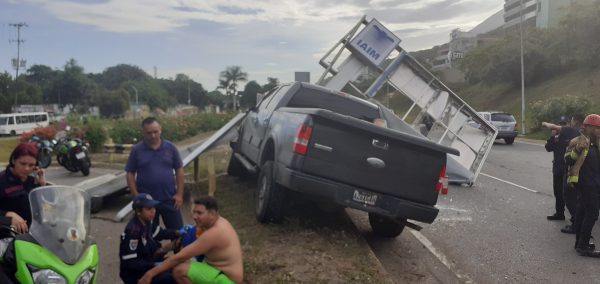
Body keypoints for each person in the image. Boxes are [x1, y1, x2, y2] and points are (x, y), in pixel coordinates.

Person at [138, 196, 243, 284]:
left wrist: (149, 274)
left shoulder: (214, 233)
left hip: (227, 280)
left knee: (179, 271)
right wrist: (162, 250)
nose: (194, 216)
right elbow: (182, 240)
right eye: (194, 212)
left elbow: (179, 257)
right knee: (182, 263)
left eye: (199, 213)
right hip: (216, 270)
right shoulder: (214, 222)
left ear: (212, 213)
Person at [126, 117, 185, 230]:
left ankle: (179, 248)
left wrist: (179, 194)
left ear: (160, 130)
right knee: (149, 236)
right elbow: (130, 173)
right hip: (147, 202)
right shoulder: (137, 150)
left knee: (178, 233)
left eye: (155, 132)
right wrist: (136, 196)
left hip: (170, 199)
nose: (153, 136)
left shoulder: (170, 148)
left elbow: (179, 170)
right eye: (149, 133)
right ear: (143, 132)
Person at [119, 193, 188, 284]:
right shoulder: (132, 231)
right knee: (173, 277)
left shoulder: (147, 221)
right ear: (138, 211)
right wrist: (156, 265)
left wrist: (177, 232)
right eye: (148, 209)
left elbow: (159, 233)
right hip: (135, 274)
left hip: (149, 262)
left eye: (153, 208)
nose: (153, 211)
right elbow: (131, 263)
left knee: (181, 267)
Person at [564, 114, 600, 257]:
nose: (598, 130)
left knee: (582, 212)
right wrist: (577, 149)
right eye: (596, 128)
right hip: (584, 183)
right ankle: (583, 245)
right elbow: (567, 160)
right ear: (587, 127)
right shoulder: (576, 141)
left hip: (596, 182)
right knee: (592, 213)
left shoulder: (597, 142)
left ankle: (579, 242)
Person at [542, 115, 582, 234]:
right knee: (558, 192)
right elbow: (548, 148)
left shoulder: (572, 133)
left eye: (564, 123)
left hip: (569, 170)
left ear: (568, 124)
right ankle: (559, 213)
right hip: (558, 168)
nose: (562, 125)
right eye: (561, 123)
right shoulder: (557, 137)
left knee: (570, 196)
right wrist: (552, 137)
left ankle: (576, 219)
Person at [0, 143, 46, 234]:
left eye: (31, 165)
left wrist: (42, 185)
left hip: (33, 232)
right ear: (13, 160)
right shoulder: (2, 180)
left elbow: (41, 204)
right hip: (8, 235)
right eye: (23, 163)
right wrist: (8, 215)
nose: (26, 168)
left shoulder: (32, 180)